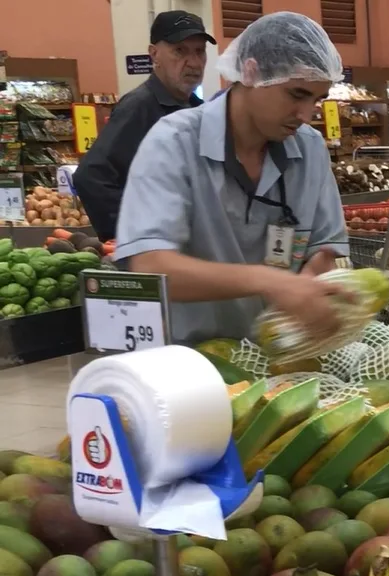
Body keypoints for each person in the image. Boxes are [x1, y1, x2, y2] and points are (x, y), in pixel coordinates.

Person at [113, 12, 352, 345]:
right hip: (190, 366)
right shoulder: (174, 143)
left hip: (279, 360)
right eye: (297, 95)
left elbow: (323, 250)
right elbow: (150, 265)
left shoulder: (309, 150)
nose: (306, 115)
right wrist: (268, 281)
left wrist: (312, 287)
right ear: (252, 72)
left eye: (317, 100)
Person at [73, 10, 215, 241]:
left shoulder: (198, 109)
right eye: (180, 51)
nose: (194, 62)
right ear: (154, 54)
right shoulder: (139, 107)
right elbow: (91, 177)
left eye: (199, 51)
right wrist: (137, 233)